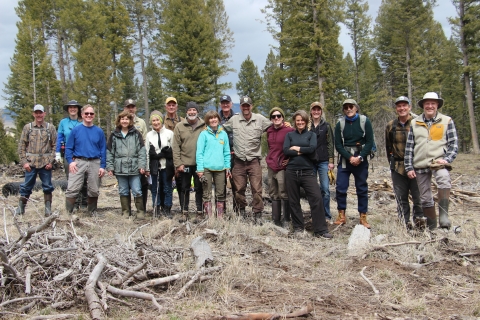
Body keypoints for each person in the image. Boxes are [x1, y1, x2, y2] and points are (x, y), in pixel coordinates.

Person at [405, 92, 458, 230]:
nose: (430, 106)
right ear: (423, 105)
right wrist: (409, 167)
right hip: (420, 163)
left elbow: (454, 145)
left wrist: (446, 160)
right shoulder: (414, 123)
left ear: (437, 105)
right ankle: (432, 227)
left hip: (438, 163)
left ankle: (444, 217)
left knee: (444, 178)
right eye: (427, 103)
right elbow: (409, 147)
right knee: (425, 197)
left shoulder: (447, 121)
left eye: (433, 103)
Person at [283, 110, 333, 239]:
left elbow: (312, 149)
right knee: (293, 201)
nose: (300, 122)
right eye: (298, 120)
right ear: (295, 121)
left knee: (316, 198)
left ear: (306, 121)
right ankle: (298, 228)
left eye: (302, 120)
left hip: (307, 171)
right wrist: (301, 151)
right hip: (292, 171)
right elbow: (286, 150)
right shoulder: (290, 135)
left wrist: (297, 148)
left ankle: (320, 230)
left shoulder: (311, 135)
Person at [223, 96, 272, 222]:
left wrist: (285, 125)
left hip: (254, 160)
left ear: (251, 106)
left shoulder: (260, 119)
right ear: (240, 106)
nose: (246, 107)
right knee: (238, 189)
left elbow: (273, 126)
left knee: (257, 189)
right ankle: (241, 211)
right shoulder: (234, 120)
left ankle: (257, 214)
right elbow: (221, 129)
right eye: (243, 105)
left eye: (248, 105)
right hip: (238, 161)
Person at [385, 96, 426, 229]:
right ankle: (404, 221)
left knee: (417, 196)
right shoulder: (391, 125)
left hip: (417, 166)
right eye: (399, 106)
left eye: (404, 105)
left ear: (409, 107)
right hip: (397, 166)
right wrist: (392, 164)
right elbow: (388, 147)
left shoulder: (418, 123)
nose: (402, 108)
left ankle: (419, 221)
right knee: (401, 196)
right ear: (396, 108)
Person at [334, 99, 374, 229]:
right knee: (340, 188)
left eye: (351, 106)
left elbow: (369, 142)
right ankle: (341, 215)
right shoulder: (340, 124)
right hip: (346, 160)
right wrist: (349, 157)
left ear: (356, 108)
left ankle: (363, 217)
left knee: (361, 188)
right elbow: (338, 145)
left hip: (361, 159)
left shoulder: (364, 121)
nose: (348, 109)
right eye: (345, 107)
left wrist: (360, 157)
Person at [65, 105, 106, 216]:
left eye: (91, 114)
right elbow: (69, 148)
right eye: (86, 113)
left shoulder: (99, 131)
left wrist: (102, 166)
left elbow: (103, 150)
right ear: (82, 115)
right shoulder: (75, 130)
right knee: (72, 187)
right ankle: (68, 212)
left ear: (94, 116)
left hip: (95, 161)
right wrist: (70, 161)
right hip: (79, 161)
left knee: (94, 188)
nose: (89, 115)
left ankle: (92, 212)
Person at [16, 104, 57, 216]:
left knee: (47, 186)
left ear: (44, 113)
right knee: (26, 186)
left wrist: (51, 161)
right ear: (34, 114)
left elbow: (55, 146)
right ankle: (21, 208)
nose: (39, 115)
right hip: (31, 163)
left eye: (41, 112)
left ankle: (48, 209)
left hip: (45, 163)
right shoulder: (27, 128)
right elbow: (22, 146)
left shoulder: (50, 128)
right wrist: (24, 162)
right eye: (36, 113)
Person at [106, 111, 147, 219]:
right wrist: (110, 167)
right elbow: (110, 152)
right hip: (120, 168)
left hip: (134, 167)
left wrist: (142, 165)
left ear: (130, 121)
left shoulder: (136, 134)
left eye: (127, 119)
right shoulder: (114, 135)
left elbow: (142, 151)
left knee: (137, 189)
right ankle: (125, 211)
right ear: (119, 121)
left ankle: (140, 211)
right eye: (122, 119)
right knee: (123, 190)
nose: (124, 121)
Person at [172, 101, 205, 220]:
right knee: (184, 188)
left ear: (197, 112)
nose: (192, 112)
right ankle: (184, 212)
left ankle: (200, 212)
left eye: (194, 110)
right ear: (186, 112)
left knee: (199, 188)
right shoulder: (179, 126)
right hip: (184, 163)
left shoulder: (204, 125)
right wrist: (178, 163)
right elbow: (175, 146)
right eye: (190, 110)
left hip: (200, 164)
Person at [196, 110, 231, 218]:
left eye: (215, 117)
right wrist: (200, 169)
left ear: (218, 119)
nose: (213, 120)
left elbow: (226, 152)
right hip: (206, 168)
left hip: (220, 168)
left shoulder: (223, 134)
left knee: (220, 193)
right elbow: (199, 152)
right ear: (207, 120)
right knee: (206, 193)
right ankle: (209, 217)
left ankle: (219, 217)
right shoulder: (203, 134)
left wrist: (227, 167)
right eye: (211, 118)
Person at [55, 100, 87, 209]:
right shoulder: (63, 122)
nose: (72, 109)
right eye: (70, 107)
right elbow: (59, 138)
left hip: (82, 153)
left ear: (78, 109)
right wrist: (57, 152)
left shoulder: (83, 121)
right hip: (68, 154)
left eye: (75, 107)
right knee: (71, 179)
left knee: (83, 178)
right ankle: (75, 203)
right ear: (68, 109)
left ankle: (84, 203)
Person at [266, 107, 293, 226]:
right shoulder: (269, 131)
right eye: (273, 116)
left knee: (283, 191)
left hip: (282, 165)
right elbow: (270, 147)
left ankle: (286, 219)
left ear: (282, 117)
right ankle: (275, 220)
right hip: (271, 164)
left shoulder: (289, 130)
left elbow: (294, 145)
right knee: (273, 191)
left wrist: (289, 159)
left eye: (278, 116)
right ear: (271, 119)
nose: (276, 118)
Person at [308, 102, 335, 222]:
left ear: (321, 111)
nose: (316, 112)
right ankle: (314, 214)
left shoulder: (326, 126)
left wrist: (331, 160)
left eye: (318, 110)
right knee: (312, 190)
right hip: (310, 160)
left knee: (325, 189)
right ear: (311, 111)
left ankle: (326, 215)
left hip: (324, 161)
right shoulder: (307, 126)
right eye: (314, 109)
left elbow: (330, 143)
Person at [145, 111, 174, 218]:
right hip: (154, 166)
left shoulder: (169, 133)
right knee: (154, 188)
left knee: (167, 188)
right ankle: (156, 208)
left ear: (161, 121)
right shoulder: (149, 135)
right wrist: (147, 168)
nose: (156, 122)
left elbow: (173, 151)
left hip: (166, 165)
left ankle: (167, 208)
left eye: (157, 120)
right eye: (153, 120)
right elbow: (147, 152)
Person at [123, 99, 149, 210]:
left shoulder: (141, 122)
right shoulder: (121, 121)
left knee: (142, 184)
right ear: (125, 108)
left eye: (132, 106)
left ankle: (141, 208)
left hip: (139, 158)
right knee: (125, 185)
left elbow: (145, 141)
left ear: (135, 108)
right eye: (128, 107)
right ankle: (127, 210)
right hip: (125, 159)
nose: (130, 109)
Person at [163, 96, 185, 210]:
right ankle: (166, 208)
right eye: (169, 105)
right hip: (165, 157)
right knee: (166, 184)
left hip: (180, 156)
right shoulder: (161, 121)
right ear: (166, 107)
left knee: (181, 184)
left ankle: (183, 208)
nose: (171, 107)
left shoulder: (182, 120)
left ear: (176, 107)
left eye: (173, 105)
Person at [219, 95, 238, 212]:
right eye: (223, 103)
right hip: (220, 156)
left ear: (231, 104)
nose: (225, 105)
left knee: (237, 184)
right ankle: (222, 211)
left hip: (235, 155)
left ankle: (238, 210)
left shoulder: (237, 118)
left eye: (227, 103)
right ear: (220, 104)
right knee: (221, 185)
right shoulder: (216, 118)